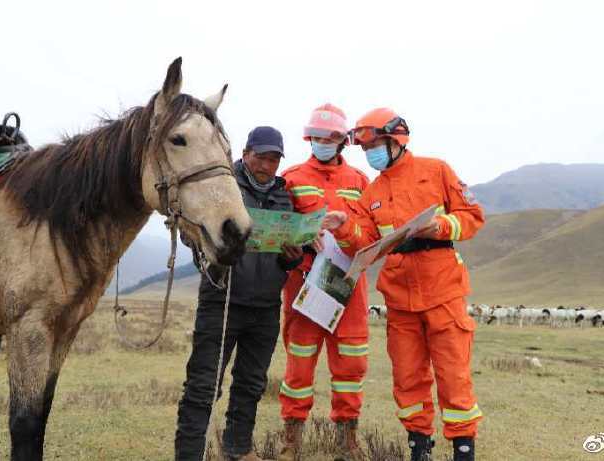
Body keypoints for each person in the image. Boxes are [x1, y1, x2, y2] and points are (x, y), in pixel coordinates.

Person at [321, 108, 485, 461]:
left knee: (453, 375)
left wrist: (440, 227)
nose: (370, 155)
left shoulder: (436, 170)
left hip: (443, 291)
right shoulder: (372, 193)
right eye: (365, 150)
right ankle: (418, 450)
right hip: (398, 297)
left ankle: (463, 450)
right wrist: (342, 226)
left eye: (375, 145)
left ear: (396, 140)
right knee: (408, 379)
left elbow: (472, 217)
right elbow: (361, 244)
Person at [175, 126, 303, 461]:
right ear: (245, 154)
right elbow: (191, 232)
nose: (267, 164)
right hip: (222, 299)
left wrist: (293, 257)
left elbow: (287, 249)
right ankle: (188, 455)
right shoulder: (222, 184)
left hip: (265, 306)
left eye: (274, 158)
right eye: (261, 156)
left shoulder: (283, 194)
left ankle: (237, 450)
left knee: (250, 385)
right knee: (203, 386)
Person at [277, 104, 370, 461]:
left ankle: (348, 442)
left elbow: (370, 233)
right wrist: (302, 238)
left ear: (342, 141)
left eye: (329, 137)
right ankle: (291, 440)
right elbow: (280, 229)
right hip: (304, 286)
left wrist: (347, 230)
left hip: (349, 289)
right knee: (298, 363)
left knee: (352, 366)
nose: (322, 142)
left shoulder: (360, 181)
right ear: (308, 138)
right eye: (316, 136)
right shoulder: (292, 178)